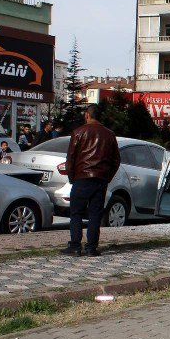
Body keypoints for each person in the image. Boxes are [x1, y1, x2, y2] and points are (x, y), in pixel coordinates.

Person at [60, 105, 121, 258]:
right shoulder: (110, 134)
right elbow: (116, 161)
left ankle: (75, 246)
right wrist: (107, 177)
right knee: (95, 215)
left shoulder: (78, 132)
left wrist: (72, 177)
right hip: (100, 179)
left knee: (76, 213)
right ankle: (91, 248)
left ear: (87, 115)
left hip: (81, 178)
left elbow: (71, 159)